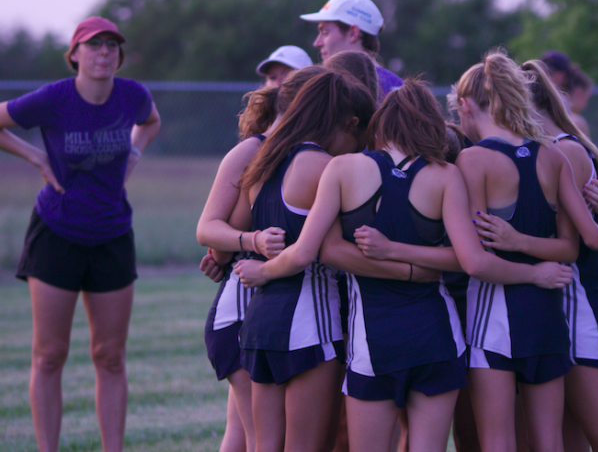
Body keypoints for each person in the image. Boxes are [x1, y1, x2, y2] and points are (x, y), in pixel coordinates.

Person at [236, 78, 575, 452]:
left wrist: (388, 251)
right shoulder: (444, 174)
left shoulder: (344, 169)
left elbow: (325, 251)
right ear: (430, 124)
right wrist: (411, 268)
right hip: (436, 338)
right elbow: (465, 260)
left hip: (373, 343)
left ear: (379, 123)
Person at [0, 16, 160, 452]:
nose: (104, 53)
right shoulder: (54, 97)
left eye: (112, 46)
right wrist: (34, 155)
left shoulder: (132, 94)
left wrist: (133, 152)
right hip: (56, 234)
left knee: (110, 356)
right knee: (49, 355)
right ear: (75, 54)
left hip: (111, 235)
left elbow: (150, 122)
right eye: (94, 45)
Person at [203, 69, 376, 452]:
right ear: (347, 123)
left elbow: (223, 245)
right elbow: (330, 249)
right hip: (309, 323)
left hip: (260, 321)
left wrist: (245, 253)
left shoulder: (261, 159)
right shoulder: (323, 166)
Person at [450, 50, 598, 452]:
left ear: (466, 105)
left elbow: (478, 263)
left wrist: (516, 244)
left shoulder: (472, 159)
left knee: (499, 442)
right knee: (547, 442)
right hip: (546, 316)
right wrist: (535, 261)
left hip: (494, 321)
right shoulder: (551, 155)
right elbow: (571, 248)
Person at [196, 69, 328, 452]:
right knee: (258, 437)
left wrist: (226, 253)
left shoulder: (305, 156)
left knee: (245, 434)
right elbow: (209, 228)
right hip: (240, 312)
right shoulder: (254, 150)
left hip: (267, 309)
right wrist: (247, 242)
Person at [514, 60, 598, 452]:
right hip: (559, 304)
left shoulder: (564, 151)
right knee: (571, 441)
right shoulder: (539, 151)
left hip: (580, 303)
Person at [300, 0, 403, 103]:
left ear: (353, 33)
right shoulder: (401, 89)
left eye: (325, 33)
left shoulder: (332, 89)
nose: (317, 43)